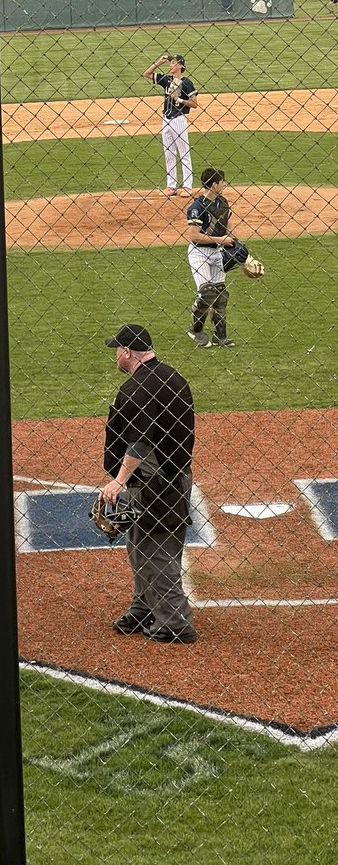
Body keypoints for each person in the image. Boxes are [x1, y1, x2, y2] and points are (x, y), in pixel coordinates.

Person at [99, 324, 197, 644]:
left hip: (157, 484)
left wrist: (117, 482)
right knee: (138, 545)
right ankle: (145, 606)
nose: (115, 354)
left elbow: (139, 443)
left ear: (128, 352)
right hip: (167, 478)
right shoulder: (173, 376)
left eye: (117, 349)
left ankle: (175, 622)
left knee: (158, 551)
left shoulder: (137, 389)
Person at [185, 167, 263, 348]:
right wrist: (221, 240)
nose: (224, 185)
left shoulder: (223, 203)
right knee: (207, 292)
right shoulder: (196, 208)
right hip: (199, 252)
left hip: (216, 252)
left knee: (220, 293)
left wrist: (242, 255)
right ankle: (195, 330)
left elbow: (228, 229)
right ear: (214, 185)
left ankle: (220, 337)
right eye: (222, 182)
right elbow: (194, 236)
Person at [142, 53, 197, 195]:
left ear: (180, 65)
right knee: (169, 154)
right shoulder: (167, 80)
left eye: (173, 63)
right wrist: (159, 61)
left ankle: (187, 186)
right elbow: (146, 74)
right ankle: (171, 186)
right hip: (165, 119)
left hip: (179, 119)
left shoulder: (187, 83)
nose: (171, 65)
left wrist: (179, 100)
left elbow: (194, 103)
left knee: (184, 153)